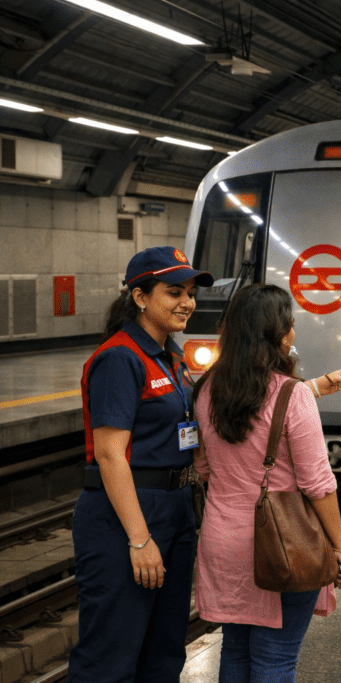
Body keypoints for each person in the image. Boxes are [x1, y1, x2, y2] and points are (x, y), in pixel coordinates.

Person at [193, 283, 341, 682]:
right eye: (290, 324)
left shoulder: (206, 389)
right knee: (275, 658)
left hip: (223, 541)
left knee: (235, 651)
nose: (293, 332)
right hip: (281, 545)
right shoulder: (292, 395)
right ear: (279, 335)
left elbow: (203, 467)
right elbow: (318, 483)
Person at [70, 246, 214, 682]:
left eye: (190, 293)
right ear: (140, 297)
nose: (187, 302)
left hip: (174, 508)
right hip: (127, 513)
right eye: (174, 292)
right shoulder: (120, 359)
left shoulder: (171, 356)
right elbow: (110, 454)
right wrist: (139, 539)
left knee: (164, 650)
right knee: (111, 655)